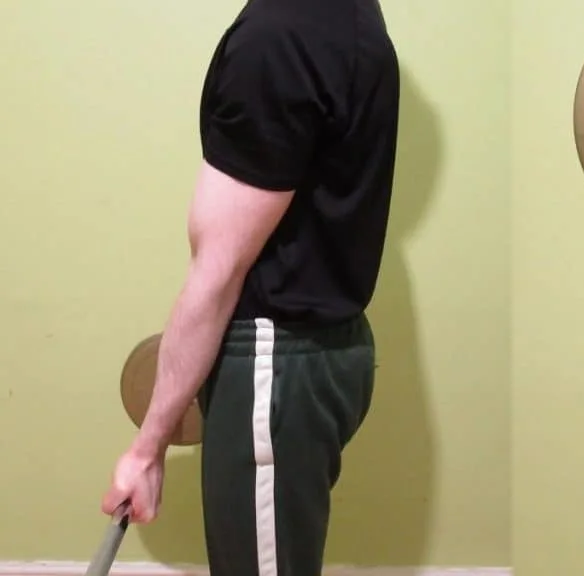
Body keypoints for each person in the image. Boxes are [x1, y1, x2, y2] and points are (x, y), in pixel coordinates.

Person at [99, 0, 401, 574]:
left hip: (273, 362)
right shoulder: (349, 16)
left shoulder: (279, 38)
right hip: (321, 354)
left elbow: (218, 270)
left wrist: (147, 449)